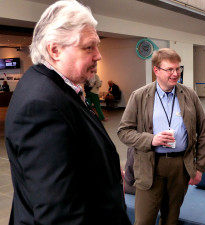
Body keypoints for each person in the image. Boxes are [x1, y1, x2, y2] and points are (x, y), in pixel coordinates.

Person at [5, 1, 131, 225]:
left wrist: (107, 174)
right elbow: (59, 215)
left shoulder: (54, 86)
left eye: (97, 46)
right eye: (88, 47)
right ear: (55, 50)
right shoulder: (42, 106)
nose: (99, 55)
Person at [118, 48, 205, 225]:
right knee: (144, 220)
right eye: (170, 69)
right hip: (150, 166)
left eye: (178, 69)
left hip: (180, 166)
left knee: (171, 219)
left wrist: (200, 168)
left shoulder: (189, 95)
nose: (175, 74)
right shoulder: (139, 96)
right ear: (156, 71)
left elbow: (203, 131)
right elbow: (124, 131)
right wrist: (150, 140)